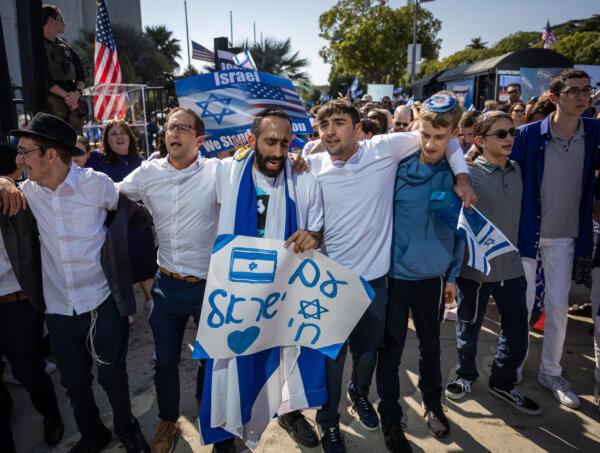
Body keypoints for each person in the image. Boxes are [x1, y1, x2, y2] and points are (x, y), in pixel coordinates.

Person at [307, 99, 474, 452]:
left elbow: (445, 136)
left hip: (376, 282)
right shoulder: (311, 165)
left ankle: (360, 395)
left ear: (358, 129)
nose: (331, 131)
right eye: (324, 125)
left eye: (339, 123)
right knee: (332, 360)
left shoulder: (385, 149)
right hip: (331, 282)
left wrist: (461, 174)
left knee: (367, 353)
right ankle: (328, 422)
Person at [0, 113, 151, 453]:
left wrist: (128, 262)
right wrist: (4, 181)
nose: (19, 159)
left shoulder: (95, 184)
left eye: (24, 152)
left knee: (113, 378)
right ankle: (93, 435)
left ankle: (128, 431)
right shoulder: (26, 193)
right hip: (58, 308)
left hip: (102, 300)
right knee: (73, 383)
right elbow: (5, 186)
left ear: (50, 154)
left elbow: (134, 213)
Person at [202, 107, 324, 451]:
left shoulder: (304, 178)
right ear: (252, 139)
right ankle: (226, 433)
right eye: (270, 142)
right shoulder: (226, 172)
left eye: (286, 143)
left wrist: (312, 237)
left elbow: (315, 230)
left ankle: (289, 413)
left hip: (282, 290)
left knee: (286, 355)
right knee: (229, 359)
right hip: (235, 290)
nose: (278, 152)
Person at [117, 108, 220, 453]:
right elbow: (108, 192)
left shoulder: (219, 172)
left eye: (183, 128)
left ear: (199, 139)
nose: (173, 132)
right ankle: (167, 421)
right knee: (164, 361)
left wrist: (299, 162)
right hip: (167, 284)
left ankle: (211, 409)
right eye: (170, 126)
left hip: (210, 285)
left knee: (212, 357)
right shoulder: (148, 173)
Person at [375, 93, 466, 452]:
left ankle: (432, 405)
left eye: (440, 138)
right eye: (425, 133)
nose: (430, 144)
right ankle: (391, 417)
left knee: (431, 349)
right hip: (395, 278)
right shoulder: (395, 169)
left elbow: (461, 231)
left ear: (453, 135)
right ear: (416, 126)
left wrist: (454, 276)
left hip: (433, 281)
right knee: (391, 351)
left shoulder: (459, 177)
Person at [512, 68, 600, 409]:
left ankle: (551, 371)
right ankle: (513, 366)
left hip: (566, 236)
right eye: (573, 91)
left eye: (586, 90)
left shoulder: (594, 132)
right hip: (529, 235)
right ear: (554, 98)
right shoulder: (528, 135)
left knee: (558, 308)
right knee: (521, 308)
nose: (582, 97)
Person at [445, 111, 541, 417]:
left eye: (511, 133)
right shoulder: (466, 174)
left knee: (516, 331)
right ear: (479, 140)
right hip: (474, 271)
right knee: (468, 328)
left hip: (512, 268)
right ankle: (465, 375)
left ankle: (503, 381)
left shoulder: (519, 170)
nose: (509, 139)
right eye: (500, 134)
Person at [0, 142, 64, 453]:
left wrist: (6, 181)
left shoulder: (13, 196)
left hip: (15, 302)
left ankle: (51, 414)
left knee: (29, 371)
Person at [87, 120, 156, 317]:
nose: (119, 137)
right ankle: (126, 305)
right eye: (113, 133)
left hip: (139, 219)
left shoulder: (140, 161)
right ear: (106, 140)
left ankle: (151, 301)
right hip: (113, 222)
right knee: (120, 266)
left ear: (130, 136)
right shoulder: (97, 160)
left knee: (145, 263)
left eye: (123, 132)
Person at [42, 5, 85, 134]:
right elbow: (44, 78)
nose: (64, 23)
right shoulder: (37, 46)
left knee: (77, 138)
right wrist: (67, 96)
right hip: (54, 101)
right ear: (50, 20)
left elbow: (81, 74)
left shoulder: (66, 47)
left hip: (72, 99)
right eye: (61, 19)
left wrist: (77, 93)